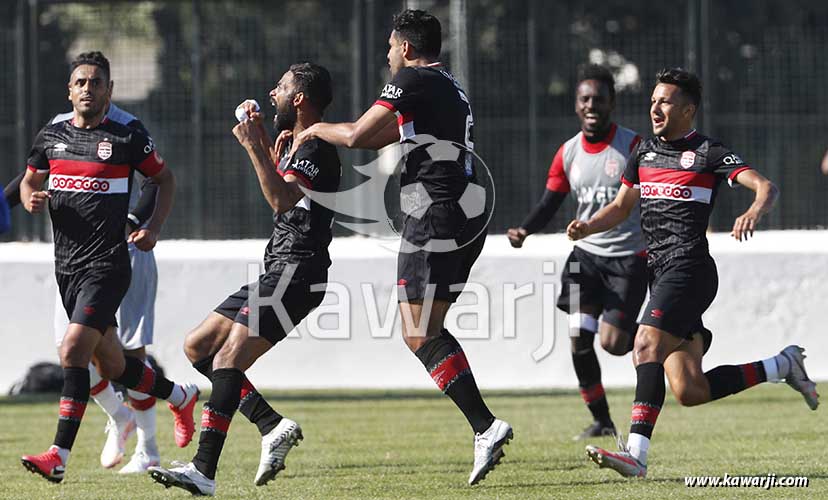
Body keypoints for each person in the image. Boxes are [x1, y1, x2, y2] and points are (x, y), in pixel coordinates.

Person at [290, 9, 512, 486]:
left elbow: (357, 135)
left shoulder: (412, 79)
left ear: (406, 48)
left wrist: (313, 130)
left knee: (417, 331)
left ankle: (486, 426)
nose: (388, 55)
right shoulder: (448, 85)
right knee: (427, 328)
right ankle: (484, 427)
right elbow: (382, 138)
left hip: (436, 212)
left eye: (391, 47)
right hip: (464, 212)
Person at [567, 68, 819, 478]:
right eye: (653, 101)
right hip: (661, 273)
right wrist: (588, 226)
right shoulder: (644, 153)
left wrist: (754, 210)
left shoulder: (708, 152)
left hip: (690, 269)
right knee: (689, 389)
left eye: (664, 102)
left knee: (645, 344)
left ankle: (636, 455)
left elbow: (766, 187)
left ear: (688, 110)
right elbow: (621, 207)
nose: (655, 108)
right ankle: (782, 365)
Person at [148, 62, 341, 496]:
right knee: (198, 346)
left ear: (299, 99)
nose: (272, 92)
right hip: (280, 268)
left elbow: (281, 199)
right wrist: (265, 144)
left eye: (281, 87)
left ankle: (203, 471)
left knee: (227, 359)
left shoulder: (316, 147)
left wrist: (254, 145)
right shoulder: (296, 142)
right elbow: (284, 190)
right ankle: (271, 425)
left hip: (299, 272)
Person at [18, 51, 198, 484]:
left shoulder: (126, 135)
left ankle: (59, 455)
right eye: (80, 82)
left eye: (96, 82)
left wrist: (152, 227)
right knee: (113, 366)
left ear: (109, 90)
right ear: (69, 90)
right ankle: (180, 396)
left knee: (72, 351)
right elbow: (29, 180)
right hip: (67, 268)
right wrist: (29, 198)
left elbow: (164, 179)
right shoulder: (52, 135)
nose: (88, 89)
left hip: (108, 265)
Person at [507, 65, 646, 440]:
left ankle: (666, 337)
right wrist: (525, 229)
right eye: (585, 99)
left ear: (612, 104)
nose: (591, 106)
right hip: (585, 257)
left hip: (628, 259)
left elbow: (647, 200)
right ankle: (602, 421)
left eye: (599, 99)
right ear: (576, 104)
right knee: (580, 338)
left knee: (613, 344)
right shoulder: (568, 152)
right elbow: (551, 201)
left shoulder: (633, 147)